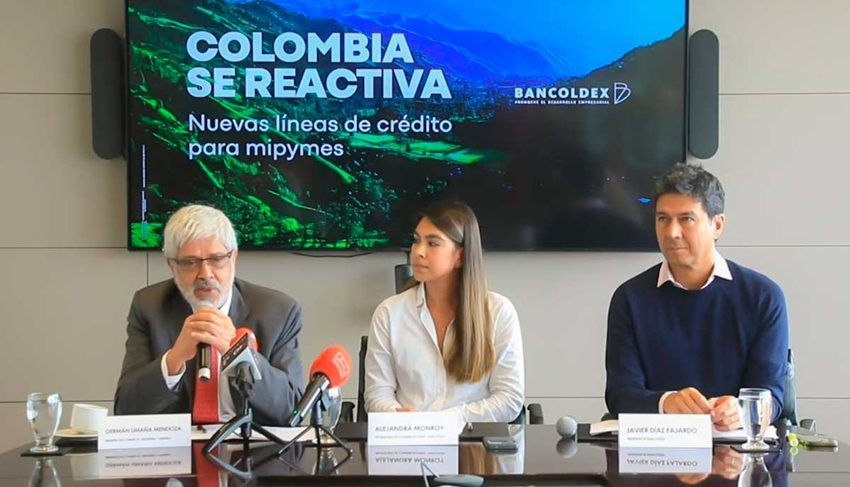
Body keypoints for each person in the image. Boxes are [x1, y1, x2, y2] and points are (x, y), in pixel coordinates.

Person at [605, 163, 788, 430]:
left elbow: (772, 394)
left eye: (686, 219)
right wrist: (666, 402)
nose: (671, 232)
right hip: (655, 455)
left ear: (717, 225)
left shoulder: (763, 297)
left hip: (739, 453)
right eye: (662, 219)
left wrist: (740, 410)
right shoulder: (630, 299)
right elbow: (620, 395)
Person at [114, 205, 304, 425]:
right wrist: (174, 359)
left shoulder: (278, 312)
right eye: (190, 262)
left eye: (216, 259)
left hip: (253, 447)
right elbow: (126, 410)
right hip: (176, 451)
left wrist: (238, 352)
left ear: (233, 258)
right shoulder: (150, 307)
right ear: (172, 265)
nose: (205, 274)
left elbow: (292, 411)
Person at [364, 200, 525, 422]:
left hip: (473, 444)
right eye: (416, 241)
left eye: (433, 243)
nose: (419, 252)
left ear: (460, 256)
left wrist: (447, 421)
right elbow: (376, 395)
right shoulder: (389, 313)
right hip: (409, 443)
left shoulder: (498, 312)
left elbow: (509, 399)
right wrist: (398, 416)